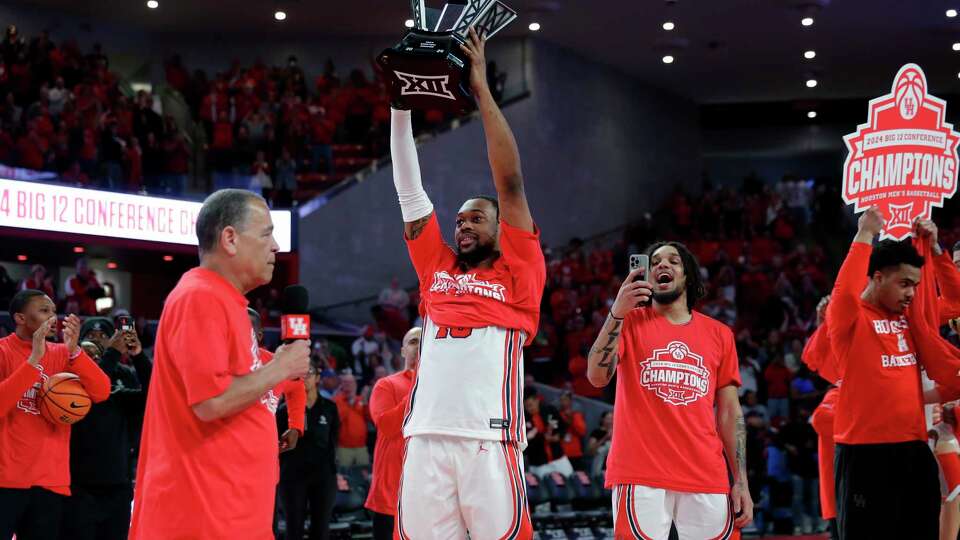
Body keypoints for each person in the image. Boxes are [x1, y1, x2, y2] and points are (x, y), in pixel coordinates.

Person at [392, 27, 544, 539]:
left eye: (476, 218)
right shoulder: (436, 269)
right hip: (426, 436)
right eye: (459, 220)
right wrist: (399, 106)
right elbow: (410, 194)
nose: (463, 224)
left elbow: (510, 182)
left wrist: (480, 88)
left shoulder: (518, 272)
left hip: (490, 439)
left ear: (503, 228)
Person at [128, 189, 311, 539]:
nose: (275, 246)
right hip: (203, 517)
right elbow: (212, 402)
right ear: (230, 238)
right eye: (266, 233)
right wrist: (281, 368)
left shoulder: (225, 302)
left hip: (228, 512)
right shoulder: (201, 296)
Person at [586, 241, 753, 538]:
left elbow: (729, 413)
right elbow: (597, 376)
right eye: (655, 262)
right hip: (640, 472)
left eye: (673, 261)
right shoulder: (629, 322)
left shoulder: (720, 334)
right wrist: (617, 312)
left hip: (706, 473)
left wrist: (740, 480)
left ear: (687, 275)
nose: (662, 265)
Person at [826, 207, 960, 539]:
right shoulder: (851, 320)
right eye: (904, 284)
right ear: (877, 277)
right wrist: (865, 234)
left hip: (913, 450)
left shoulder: (912, 318)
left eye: (915, 285)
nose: (912, 293)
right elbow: (844, 291)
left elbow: (957, 301)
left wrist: (937, 249)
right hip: (865, 453)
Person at [0, 290, 110, 540]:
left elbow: (102, 391)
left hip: (51, 480)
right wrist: (33, 361)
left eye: (53, 311)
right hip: (6, 479)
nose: (53, 318)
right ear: (20, 318)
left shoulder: (63, 354)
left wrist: (74, 352)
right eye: (44, 311)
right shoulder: (3, 351)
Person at [64, 316, 152, 540]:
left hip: (118, 484)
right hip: (78, 485)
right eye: (90, 337)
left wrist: (139, 355)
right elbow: (93, 396)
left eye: (104, 336)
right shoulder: (68, 374)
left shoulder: (123, 374)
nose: (98, 342)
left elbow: (153, 394)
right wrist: (112, 353)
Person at [365, 326, 421, 540]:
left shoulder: (441, 390)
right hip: (392, 489)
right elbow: (387, 426)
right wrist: (418, 388)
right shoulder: (386, 385)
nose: (419, 346)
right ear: (402, 351)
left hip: (428, 486)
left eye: (424, 341)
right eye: (413, 342)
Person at [277, 363, 340, 540]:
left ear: (318, 378)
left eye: (309, 373)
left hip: (323, 476)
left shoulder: (330, 407)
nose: (305, 377)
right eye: (300, 373)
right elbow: (277, 444)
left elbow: (333, 441)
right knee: (293, 528)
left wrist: (336, 471)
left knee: (320, 529)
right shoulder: (283, 410)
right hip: (292, 475)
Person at [248, 307, 305, 452]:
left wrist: (295, 426)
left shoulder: (277, 363)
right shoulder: (218, 364)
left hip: (264, 454)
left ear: (259, 335)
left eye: (246, 329)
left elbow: (297, 386)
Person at [334, 370, 370, 466]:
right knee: (345, 476)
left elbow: (370, 418)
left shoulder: (361, 400)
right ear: (341, 384)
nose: (349, 385)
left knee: (363, 476)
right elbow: (337, 420)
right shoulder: (336, 400)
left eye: (351, 382)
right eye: (346, 382)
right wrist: (349, 402)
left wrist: (365, 403)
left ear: (355, 384)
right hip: (343, 448)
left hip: (361, 446)